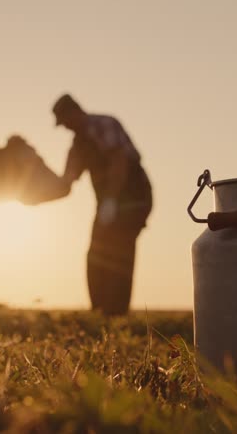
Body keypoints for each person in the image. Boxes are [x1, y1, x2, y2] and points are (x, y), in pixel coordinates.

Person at [52, 94, 152, 316]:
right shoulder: (78, 145)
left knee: (119, 253)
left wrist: (111, 201)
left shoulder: (104, 124)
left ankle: (116, 315)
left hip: (133, 199)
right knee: (97, 253)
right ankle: (99, 312)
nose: (66, 127)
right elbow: (66, 181)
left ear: (74, 112)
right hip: (107, 205)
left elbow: (119, 162)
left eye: (66, 121)